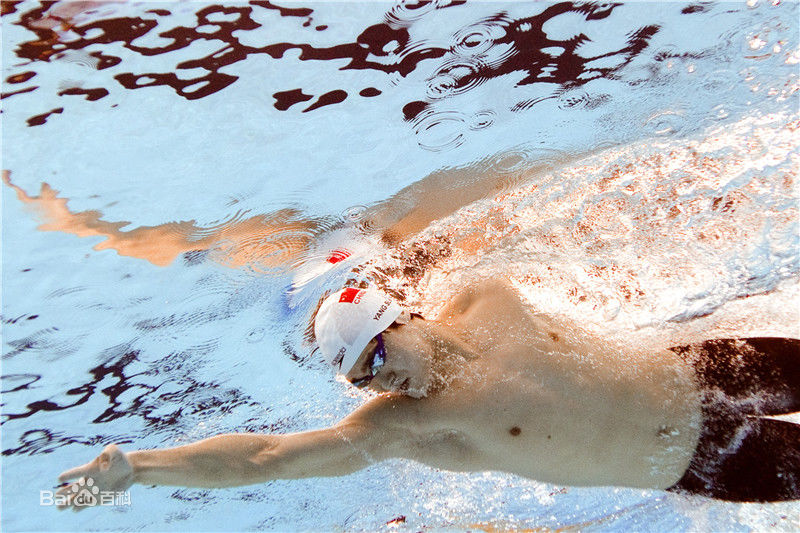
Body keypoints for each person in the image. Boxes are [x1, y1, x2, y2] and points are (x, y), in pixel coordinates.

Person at [56, 282, 800, 509]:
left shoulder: (488, 297)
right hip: (702, 462)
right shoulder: (407, 427)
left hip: (712, 370)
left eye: (377, 359)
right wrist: (141, 468)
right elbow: (267, 456)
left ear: (397, 317)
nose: (383, 384)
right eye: (362, 380)